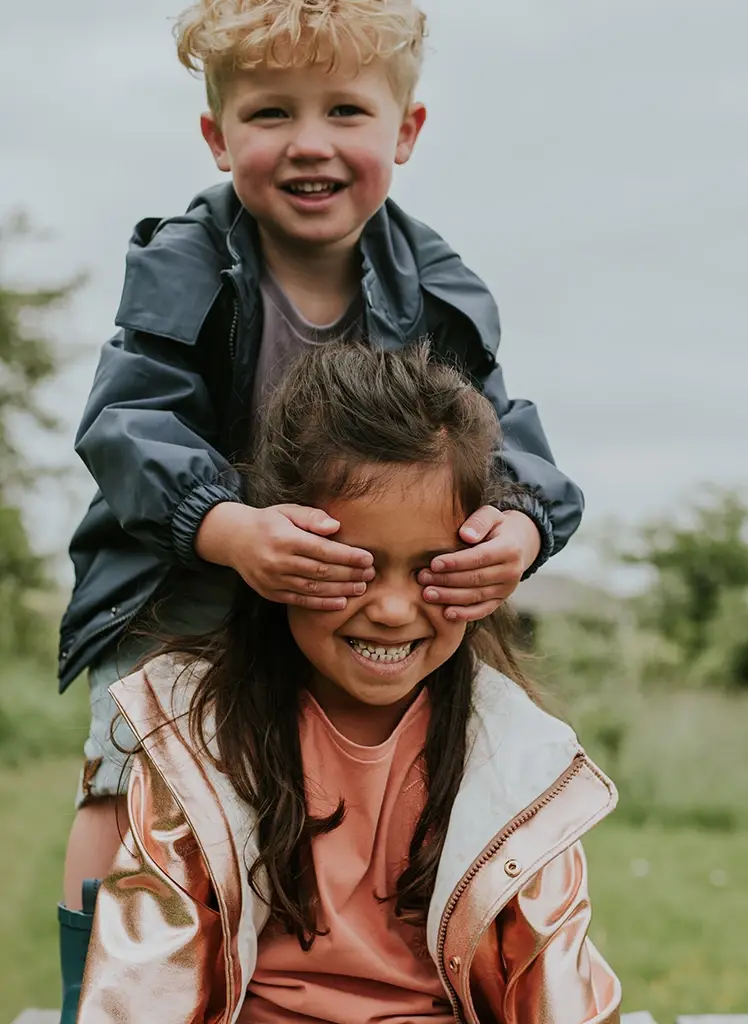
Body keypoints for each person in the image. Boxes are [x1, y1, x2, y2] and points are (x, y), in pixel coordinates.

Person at [57, 1, 584, 1016]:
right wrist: (228, 528)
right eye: (271, 113)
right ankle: (96, 992)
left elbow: (497, 427)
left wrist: (520, 524)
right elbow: (129, 421)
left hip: (351, 584)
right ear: (217, 136)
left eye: (345, 110)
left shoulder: (436, 286)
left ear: (405, 131)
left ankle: (356, 972)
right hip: (185, 574)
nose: (310, 143)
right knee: (131, 771)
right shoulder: (183, 259)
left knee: (363, 783)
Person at [76, 342, 620, 1024]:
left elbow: (556, 993)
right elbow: (145, 988)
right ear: (278, 553)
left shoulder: (520, 760)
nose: (392, 609)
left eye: (432, 568)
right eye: (353, 564)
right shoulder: (197, 745)